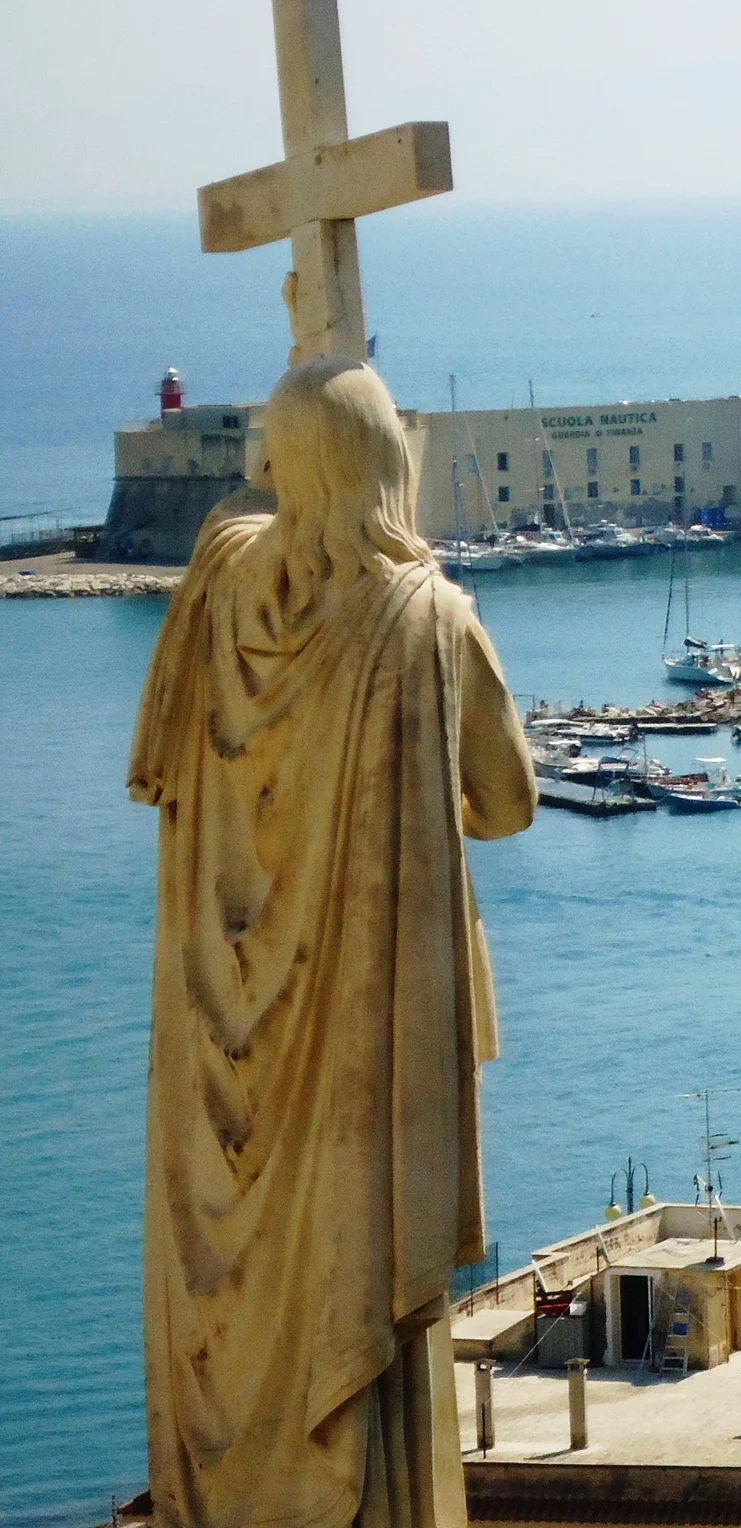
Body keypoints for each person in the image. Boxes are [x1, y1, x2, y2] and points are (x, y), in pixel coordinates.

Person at [129, 358, 535, 1526]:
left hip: (220, 1068)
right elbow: (504, 804)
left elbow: (167, 762)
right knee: (349, 1304)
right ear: (386, 465)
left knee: (232, 1315)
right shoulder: (425, 617)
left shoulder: (212, 595)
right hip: (352, 1054)